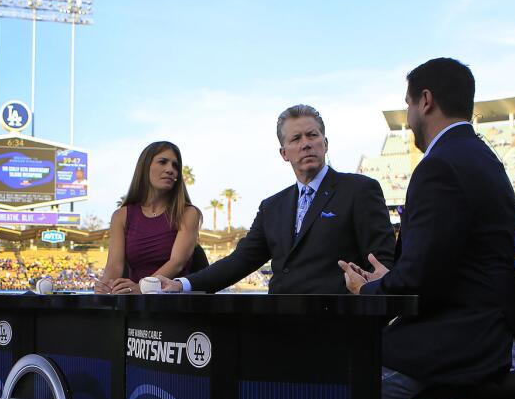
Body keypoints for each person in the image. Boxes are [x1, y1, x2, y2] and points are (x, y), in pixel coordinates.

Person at [339, 58, 515, 399]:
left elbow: (423, 283)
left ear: (426, 100)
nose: (410, 116)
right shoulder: (475, 157)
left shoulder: (441, 165)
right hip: (467, 325)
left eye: (410, 103)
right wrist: (390, 274)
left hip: (456, 335)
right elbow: (434, 264)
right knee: (340, 393)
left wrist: (368, 289)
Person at [156, 104, 394, 294]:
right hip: (278, 328)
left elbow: (381, 265)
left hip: (339, 330)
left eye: (312, 135)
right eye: (296, 139)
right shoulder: (272, 207)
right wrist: (183, 284)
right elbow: (240, 261)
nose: (306, 144)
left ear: (325, 143)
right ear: (284, 153)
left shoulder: (360, 190)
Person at [94, 141, 202, 295]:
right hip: (135, 306)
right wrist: (104, 287)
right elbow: (114, 266)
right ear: (145, 167)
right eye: (163, 162)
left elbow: (177, 263)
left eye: (175, 166)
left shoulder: (188, 213)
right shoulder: (121, 215)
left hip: (174, 304)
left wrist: (143, 288)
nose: (170, 170)